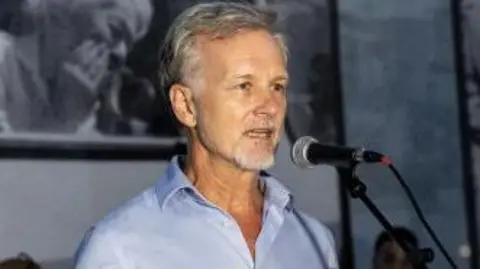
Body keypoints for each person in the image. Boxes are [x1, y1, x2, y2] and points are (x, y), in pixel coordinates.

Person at [74, 2, 338, 269]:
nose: (270, 106)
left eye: (277, 86)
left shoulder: (314, 241)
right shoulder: (119, 248)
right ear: (186, 106)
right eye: (244, 85)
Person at [0, 0, 153, 134]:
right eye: (114, 30)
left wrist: (72, 113)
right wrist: (67, 120)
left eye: (128, 44)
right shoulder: (3, 61)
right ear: (63, 17)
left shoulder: (80, 93)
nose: (121, 54)